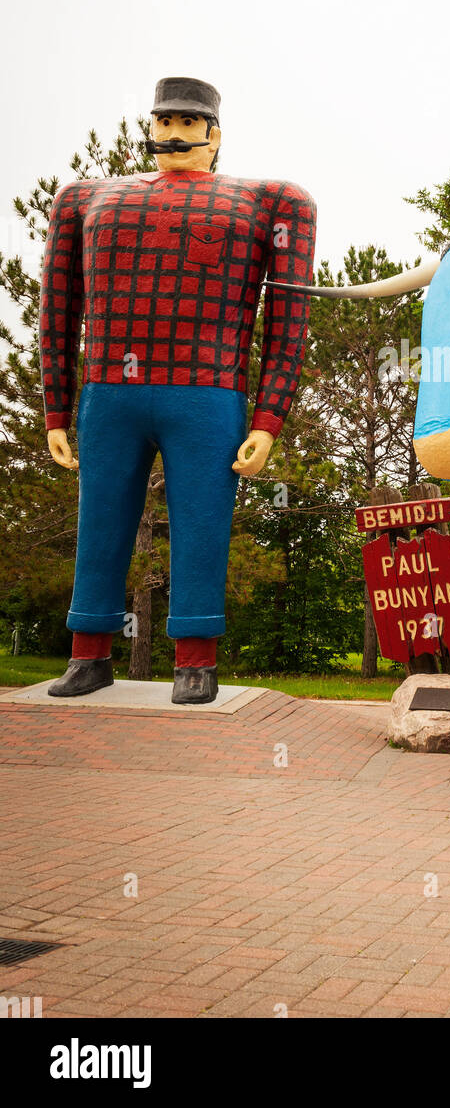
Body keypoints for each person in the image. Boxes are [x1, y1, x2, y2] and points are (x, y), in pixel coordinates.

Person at [40, 76, 315, 703]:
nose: (175, 135)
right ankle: (90, 653)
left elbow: (288, 321)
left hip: (207, 389)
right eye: (165, 123)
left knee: (202, 523)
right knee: (101, 520)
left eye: (190, 125)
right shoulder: (83, 199)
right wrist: (57, 407)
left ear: (215, 135)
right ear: (151, 129)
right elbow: (57, 309)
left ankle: (195, 658)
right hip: (109, 390)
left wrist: (268, 420)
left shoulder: (270, 202)